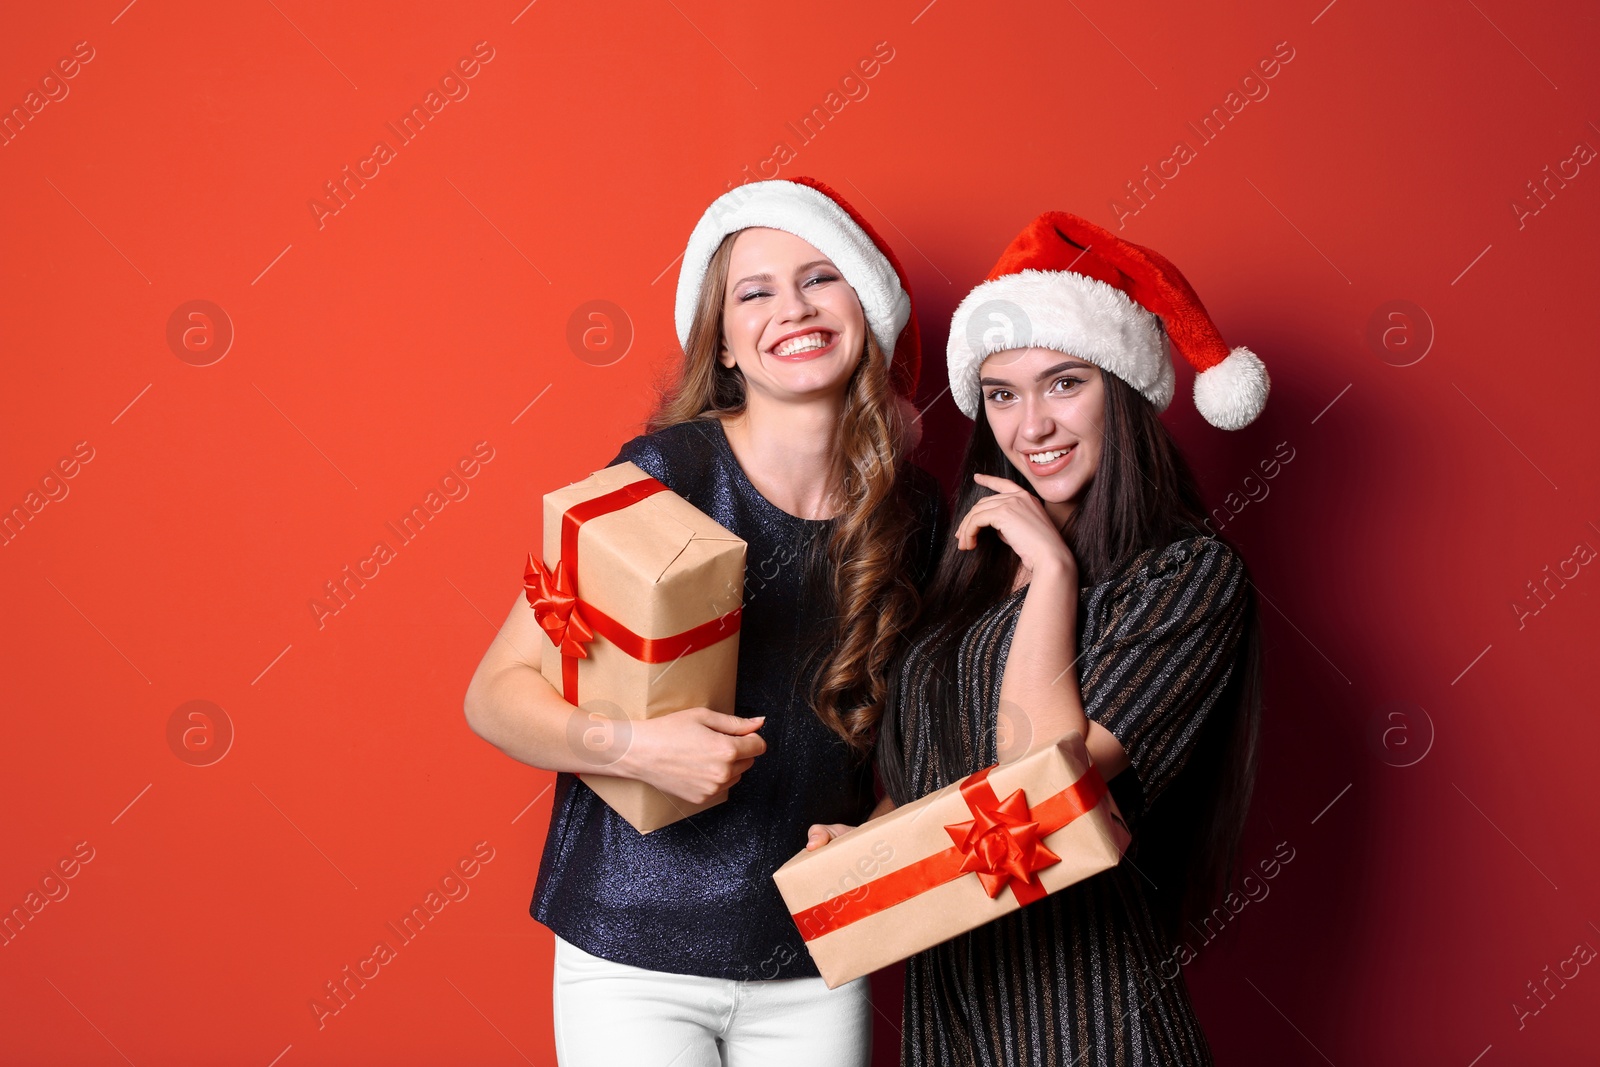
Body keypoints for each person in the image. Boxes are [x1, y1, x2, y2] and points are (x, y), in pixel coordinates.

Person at [464, 177, 945, 1067]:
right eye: (754, 292)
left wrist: (882, 831)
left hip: (811, 956)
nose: (792, 309)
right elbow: (493, 695)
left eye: (820, 278)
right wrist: (632, 746)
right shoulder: (661, 474)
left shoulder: (916, 513)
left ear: (866, 303)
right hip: (631, 948)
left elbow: (933, 740)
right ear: (721, 342)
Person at [806, 210, 1271, 1065]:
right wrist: (865, 842)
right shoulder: (969, 567)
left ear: (1121, 389)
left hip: (1089, 1024)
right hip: (951, 1022)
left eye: (1065, 383)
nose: (1033, 427)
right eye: (1002, 393)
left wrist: (1054, 576)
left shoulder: (1186, 576)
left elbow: (1039, 783)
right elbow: (947, 783)